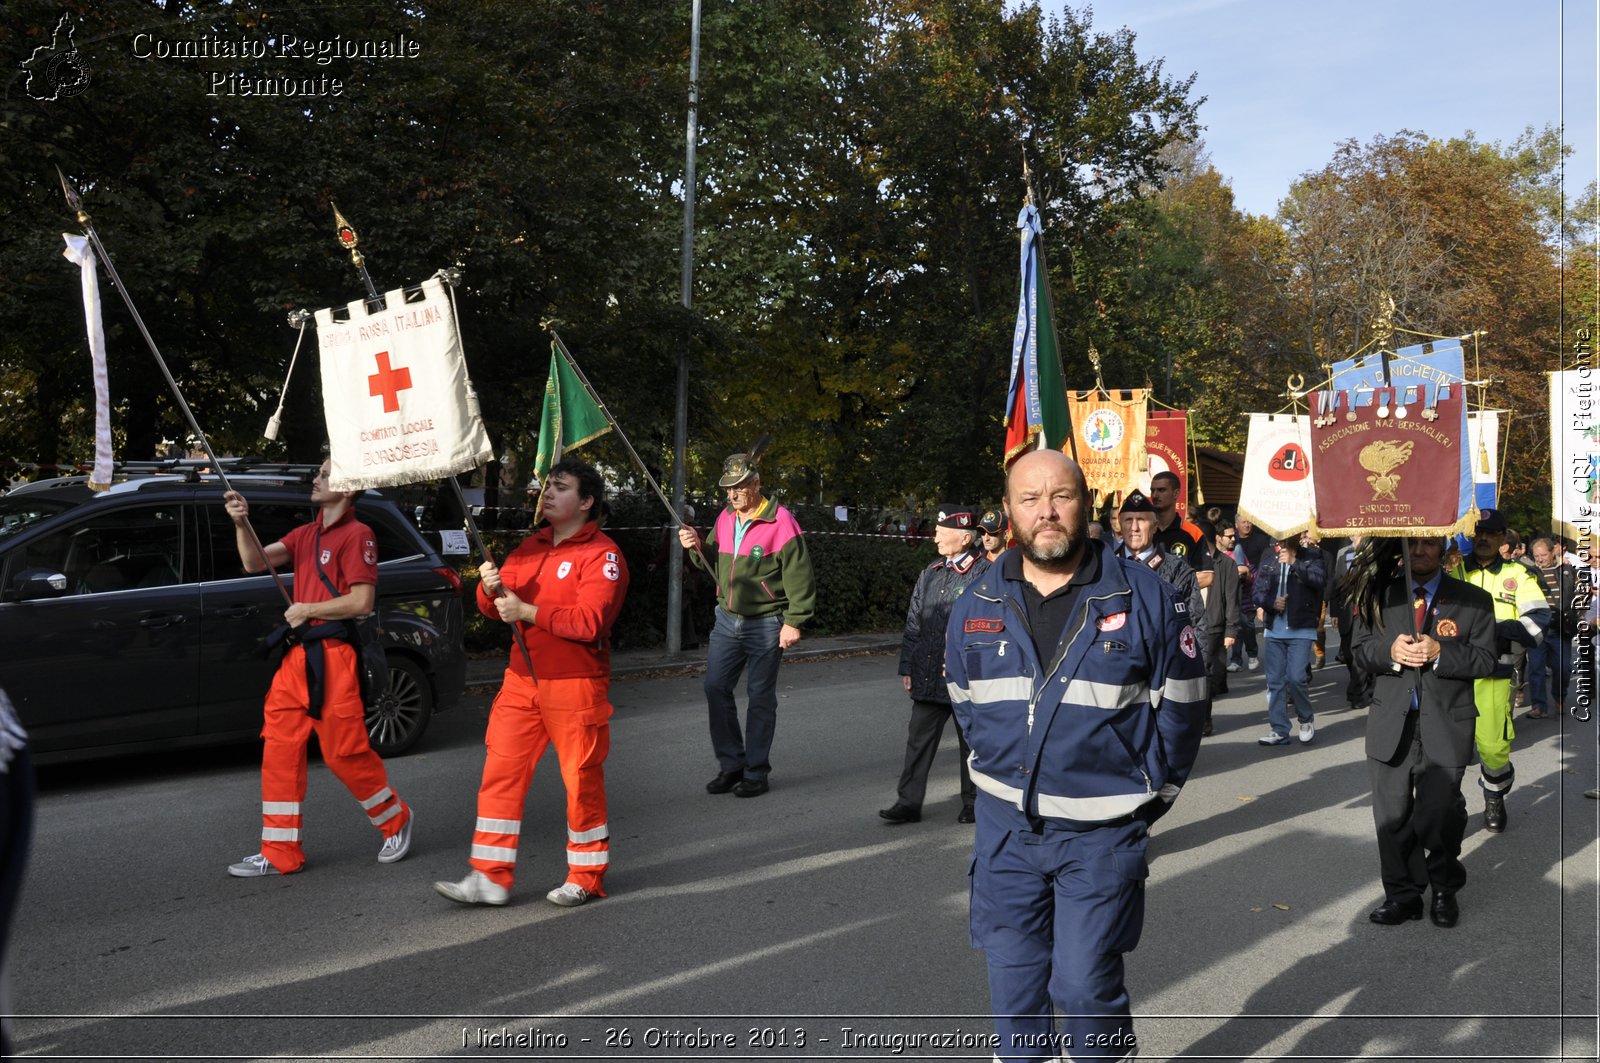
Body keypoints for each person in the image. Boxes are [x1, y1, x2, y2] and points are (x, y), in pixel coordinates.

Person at [946, 450, 1206, 1063]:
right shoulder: (974, 602)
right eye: (1029, 499)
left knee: (1086, 988)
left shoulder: (1146, 598)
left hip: (1101, 835)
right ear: (1007, 511)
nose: (1046, 512)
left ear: (1086, 503)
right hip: (1006, 832)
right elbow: (964, 703)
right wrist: (1001, 779)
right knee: (1015, 996)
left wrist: (1147, 799)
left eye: (1060, 496)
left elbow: (1184, 710)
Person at [434, 459, 628, 908]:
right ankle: (489, 877)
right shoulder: (529, 547)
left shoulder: (603, 555)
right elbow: (497, 607)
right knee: (500, 775)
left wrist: (527, 612)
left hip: (576, 683)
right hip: (521, 681)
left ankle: (586, 875)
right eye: (547, 487)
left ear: (586, 502)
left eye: (560, 488)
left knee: (581, 780)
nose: (548, 494)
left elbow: (590, 622)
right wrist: (488, 589)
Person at [221, 459, 412, 876]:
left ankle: (395, 821)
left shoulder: (359, 534)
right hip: (299, 658)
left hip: (335, 657)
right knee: (278, 747)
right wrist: (241, 523)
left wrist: (309, 608)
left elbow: (361, 602)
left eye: (326, 474)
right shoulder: (306, 534)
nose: (316, 479)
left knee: (344, 753)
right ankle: (279, 852)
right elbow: (255, 562)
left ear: (347, 487)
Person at [1352, 537, 1496, 928]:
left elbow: (1485, 660)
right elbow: (1359, 650)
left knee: (1439, 814)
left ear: (1443, 546)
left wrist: (1441, 653)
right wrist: (1389, 652)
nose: (1419, 551)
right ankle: (1403, 896)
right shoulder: (1378, 595)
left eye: (1428, 543)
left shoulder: (1473, 600)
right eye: (1412, 543)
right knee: (1392, 817)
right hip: (1390, 725)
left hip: (1446, 723)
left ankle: (1445, 888)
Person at [679, 448, 816, 798]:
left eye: (739, 487)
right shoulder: (726, 517)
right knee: (714, 687)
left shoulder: (781, 520)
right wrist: (695, 546)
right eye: (728, 488)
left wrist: (795, 621)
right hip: (726, 618)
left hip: (767, 622)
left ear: (756, 484)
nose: (732, 494)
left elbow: (800, 574)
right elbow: (710, 562)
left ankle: (756, 772)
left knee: (759, 696)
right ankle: (732, 765)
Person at [880, 504, 988, 826]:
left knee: (971, 744)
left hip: (966, 678)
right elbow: (914, 623)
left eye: (943, 531)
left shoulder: (985, 574)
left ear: (965, 537)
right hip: (928, 676)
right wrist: (908, 667)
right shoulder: (931, 573)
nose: (936, 535)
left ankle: (974, 803)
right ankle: (908, 802)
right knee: (917, 740)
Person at [1450, 509, 1550, 832]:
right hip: (1452, 674)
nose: (1483, 538)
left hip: (1494, 673)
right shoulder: (1453, 575)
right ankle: (1451, 805)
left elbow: (1538, 622)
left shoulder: (1519, 576)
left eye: (1491, 533)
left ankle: (1494, 794)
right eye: (1478, 532)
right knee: (1448, 747)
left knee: (1493, 748)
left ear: (1503, 538)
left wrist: (1492, 629)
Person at [1253, 534, 1326, 746]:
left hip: (1301, 628)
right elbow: (1258, 592)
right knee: (1275, 681)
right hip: (1274, 630)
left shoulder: (1312, 556)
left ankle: (1305, 719)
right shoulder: (1269, 559)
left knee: (1296, 677)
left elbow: (1319, 581)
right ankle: (1279, 729)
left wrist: (1295, 562)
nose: (1282, 541)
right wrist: (1270, 602)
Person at [1115, 490, 1207, 644]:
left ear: (1155, 526)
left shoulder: (1178, 570)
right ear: (1120, 525)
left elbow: (1196, 625)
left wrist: (1196, 666)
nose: (1134, 527)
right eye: (1128, 520)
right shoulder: (1105, 567)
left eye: (1142, 520)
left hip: (1164, 660)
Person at [1527, 536, 1579, 719]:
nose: (1539, 558)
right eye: (1536, 555)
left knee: (1563, 667)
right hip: (1536, 629)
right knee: (1536, 668)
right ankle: (1538, 705)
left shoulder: (1567, 570)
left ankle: (1559, 697)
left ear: (1553, 552)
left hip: (1559, 628)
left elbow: (1578, 593)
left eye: (1543, 555)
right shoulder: (1529, 571)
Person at [1329, 534, 1376, 712]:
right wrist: (1334, 612)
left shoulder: (1373, 554)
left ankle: (1357, 693)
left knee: (1359, 651)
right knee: (1348, 653)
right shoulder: (1344, 556)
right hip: (1346, 611)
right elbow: (1336, 585)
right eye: (1356, 533)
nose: (1358, 536)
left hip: (1365, 611)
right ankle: (1361, 683)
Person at [1202, 522, 1241, 732]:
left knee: (1204, 671)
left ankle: (1205, 721)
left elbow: (1232, 599)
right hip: (1189, 623)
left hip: (1213, 625)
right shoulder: (1189, 560)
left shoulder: (1226, 564)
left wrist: (1231, 630)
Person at [1148, 470, 1213, 589]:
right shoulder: (1143, 530)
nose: (1155, 495)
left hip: (1179, 603)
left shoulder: (1192, 532)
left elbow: (1207, 576)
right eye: (1153, 490)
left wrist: (1172, 589)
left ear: (1176, 493)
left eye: (1161, 490)